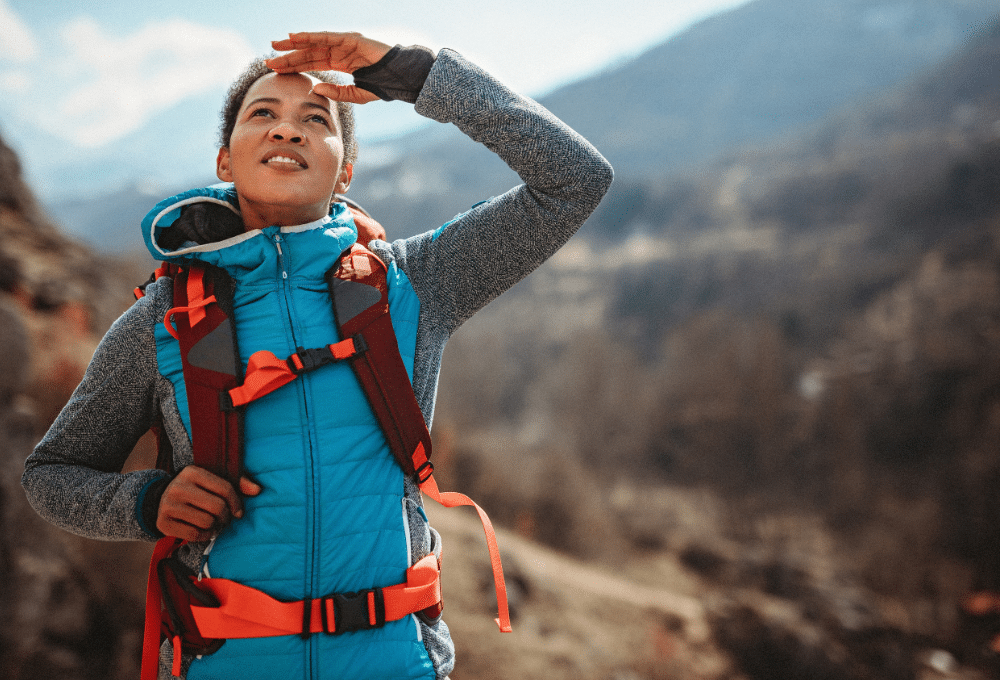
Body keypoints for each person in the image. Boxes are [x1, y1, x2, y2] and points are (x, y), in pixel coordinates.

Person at [22, 30, 613, 680]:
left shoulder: (413, 284)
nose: (287, 130)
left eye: (315, 119)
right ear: (225, 160)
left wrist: (415, 75)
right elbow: (51, 475)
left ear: (345, 170)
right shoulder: (162, 320)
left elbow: (574, 179)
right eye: (263, 115)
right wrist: (145, 502)